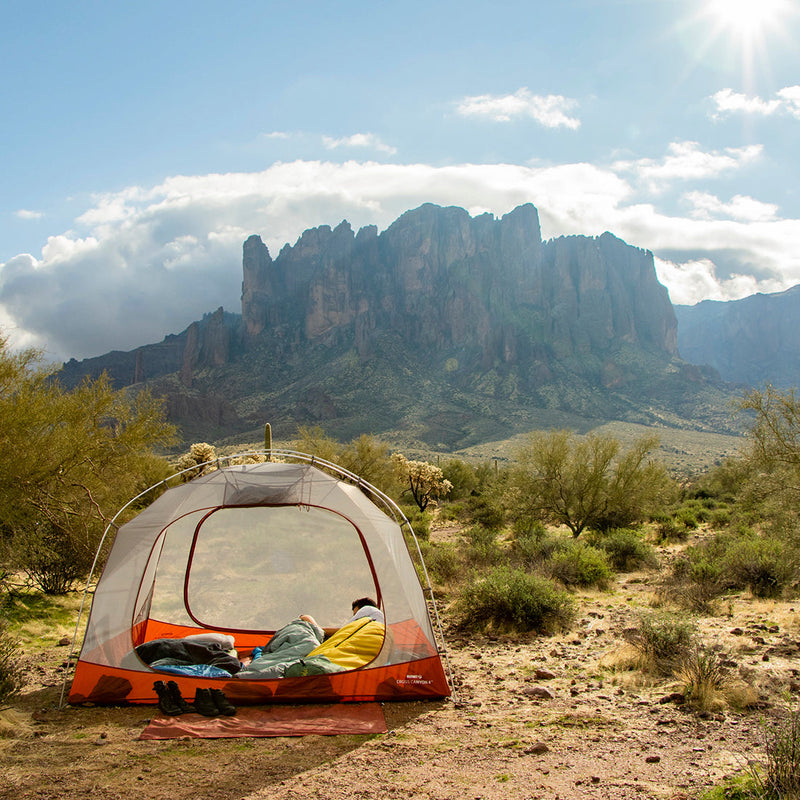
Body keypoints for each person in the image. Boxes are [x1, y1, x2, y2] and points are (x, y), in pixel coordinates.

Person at [299, 596, 384, 637]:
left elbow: (345, 631)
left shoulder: (368, 610)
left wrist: (309, 621)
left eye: (356, 614)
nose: (356, 617)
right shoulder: (384, 628)